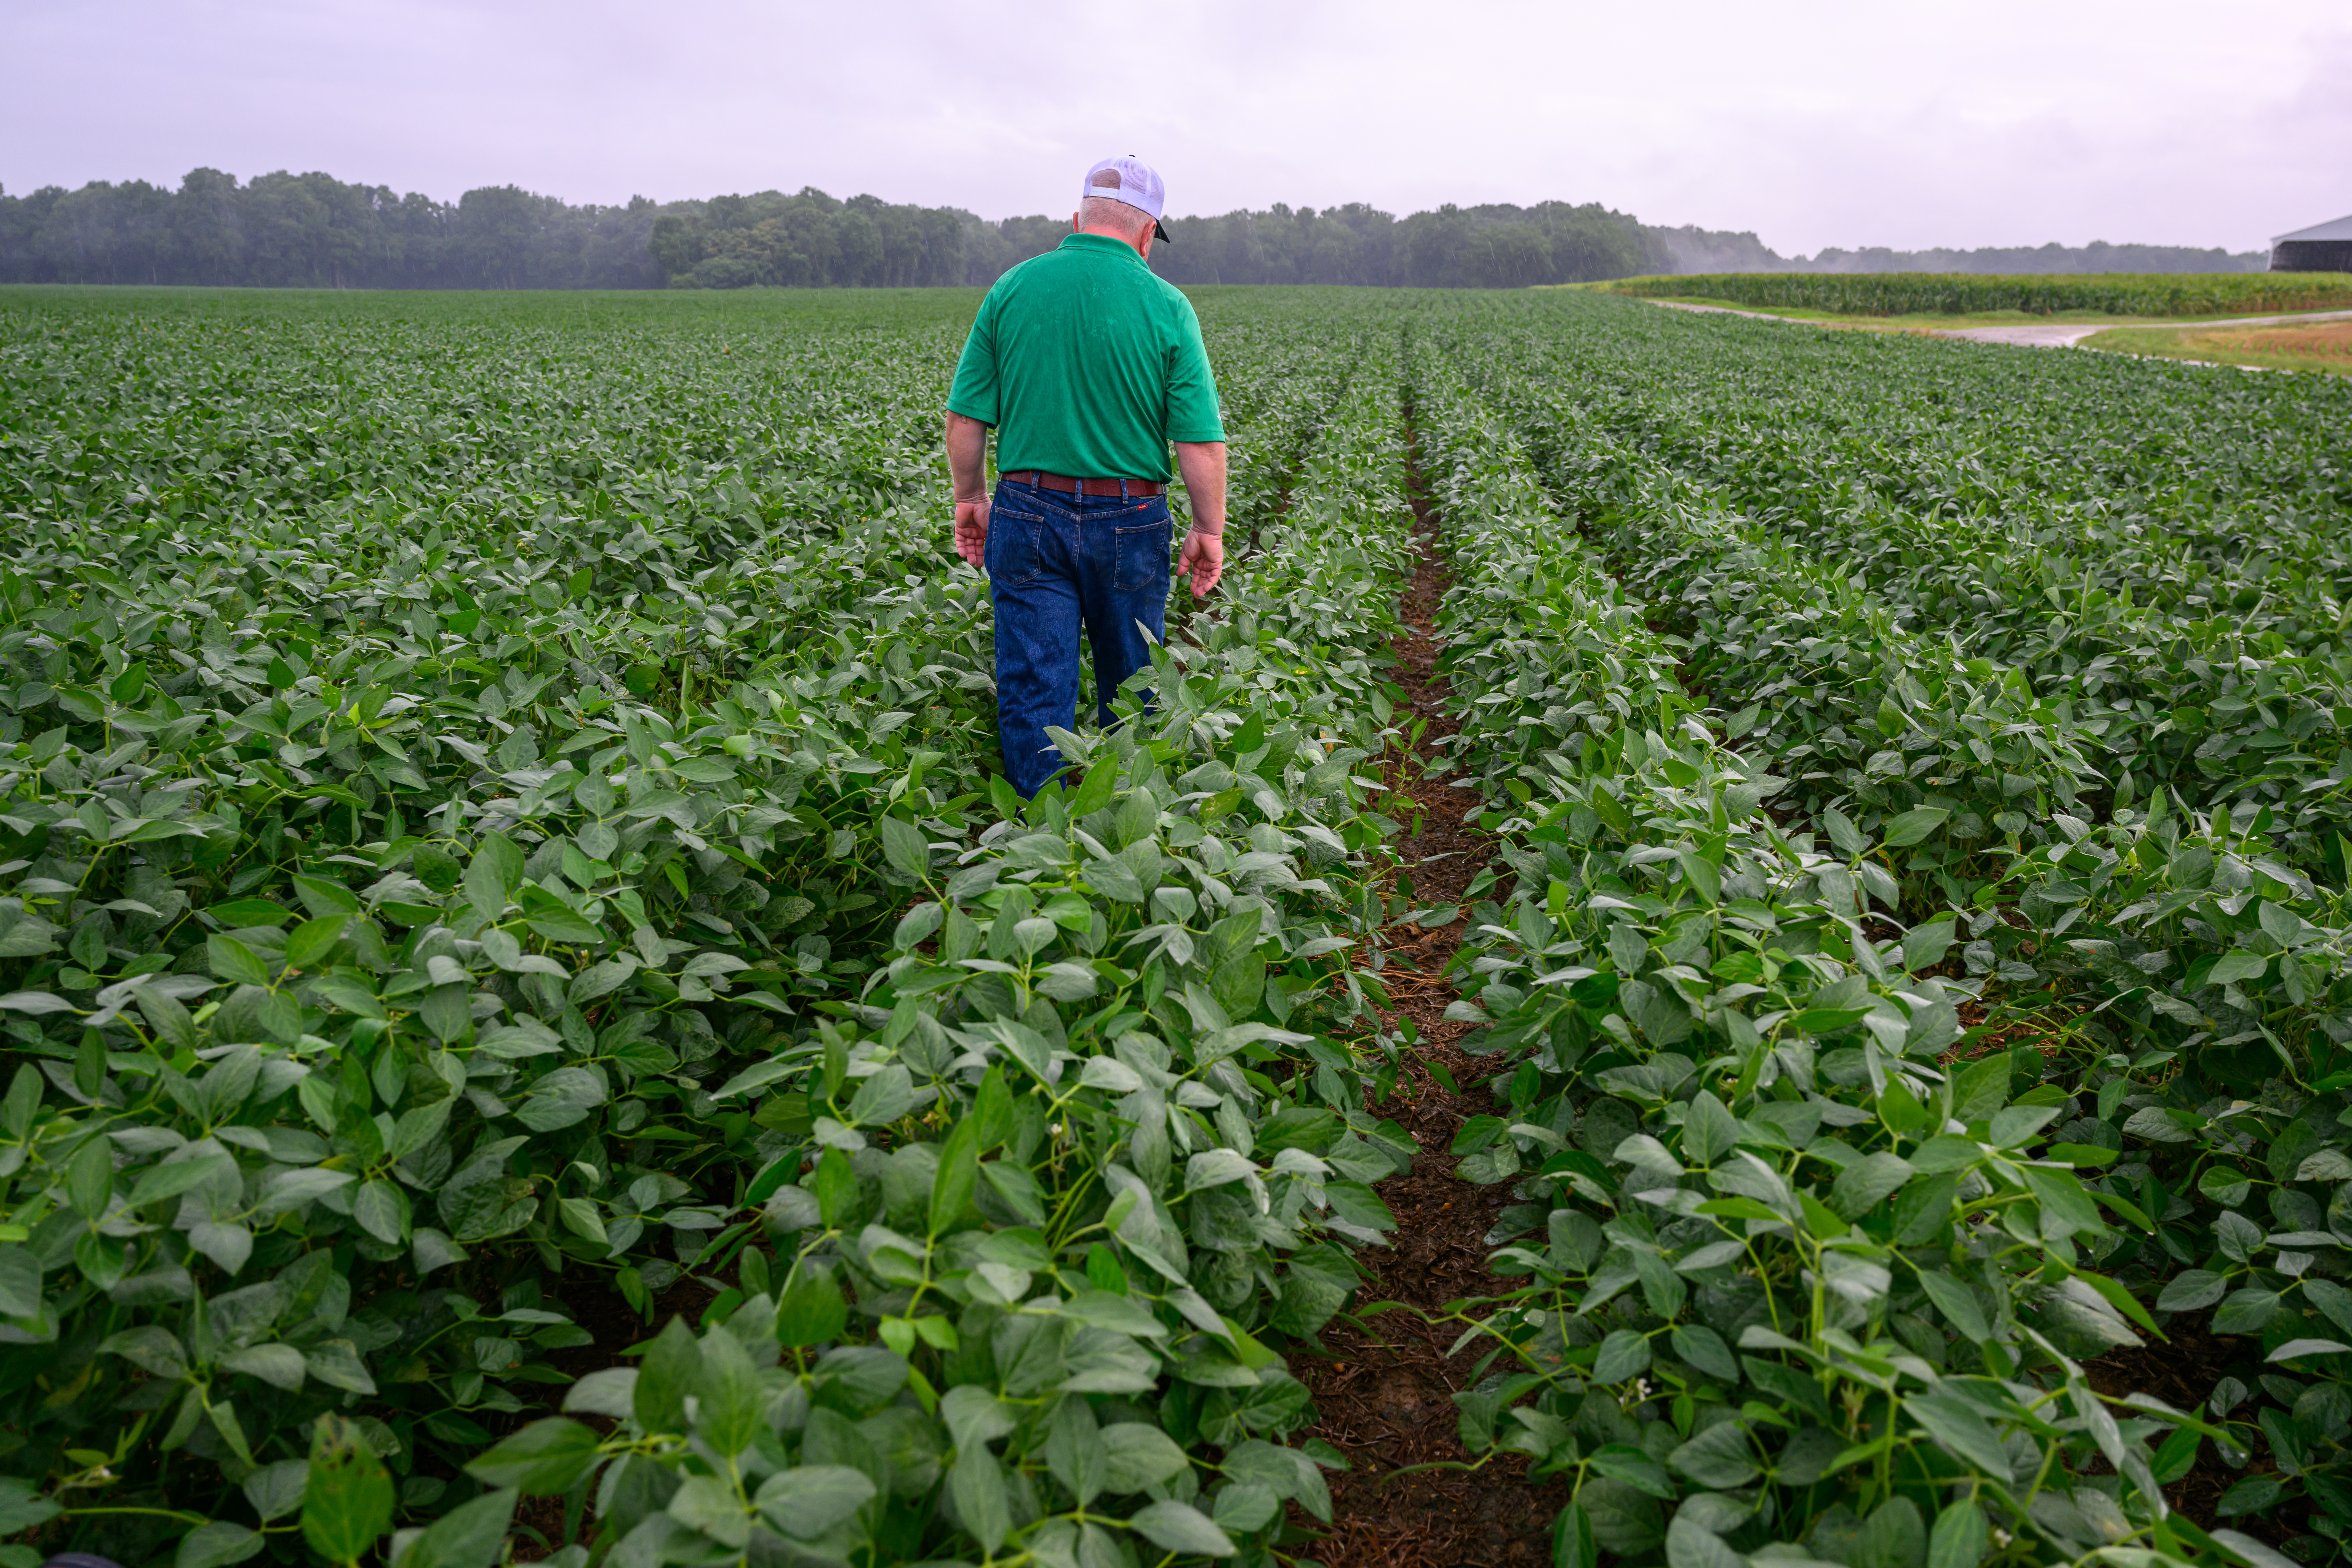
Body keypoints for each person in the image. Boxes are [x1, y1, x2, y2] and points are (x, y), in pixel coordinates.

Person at [944, 155, 1229, 798]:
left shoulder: (1012, 287)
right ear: (1148, 234)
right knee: (1134, 687)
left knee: (1033, 688)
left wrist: (971, 498)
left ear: (1077, 218)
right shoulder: (1167, 304)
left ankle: (1040, 849)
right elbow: (1200, 443)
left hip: (1025, 510)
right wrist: (1208, 530)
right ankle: (1125, 842)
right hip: (1131, 519)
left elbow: (965, 418)